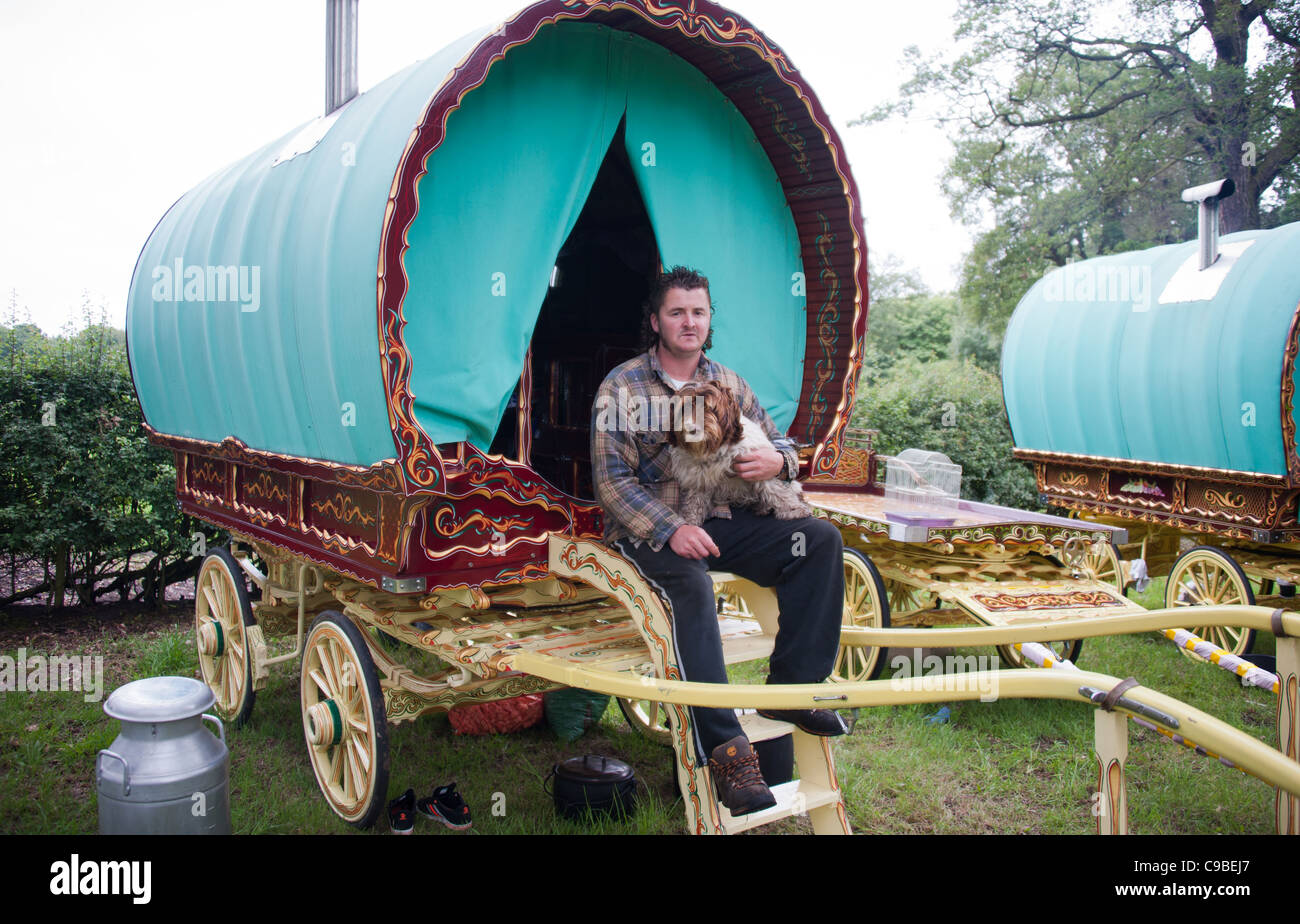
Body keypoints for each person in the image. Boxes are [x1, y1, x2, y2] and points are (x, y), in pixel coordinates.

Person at [590, 265, 846, 816]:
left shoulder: (731, 383)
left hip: (722, 517)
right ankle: (729, 754)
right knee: (689, 586)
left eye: (699, 312)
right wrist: (671, 528)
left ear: (710, 320)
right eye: (677, 311)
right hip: (648, 527)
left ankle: (795, 692)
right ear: (655, 319)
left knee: (820, 540)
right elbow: (612, 482)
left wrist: (780, 460)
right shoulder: (624, 385)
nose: (689, 322)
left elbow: (781, 442)